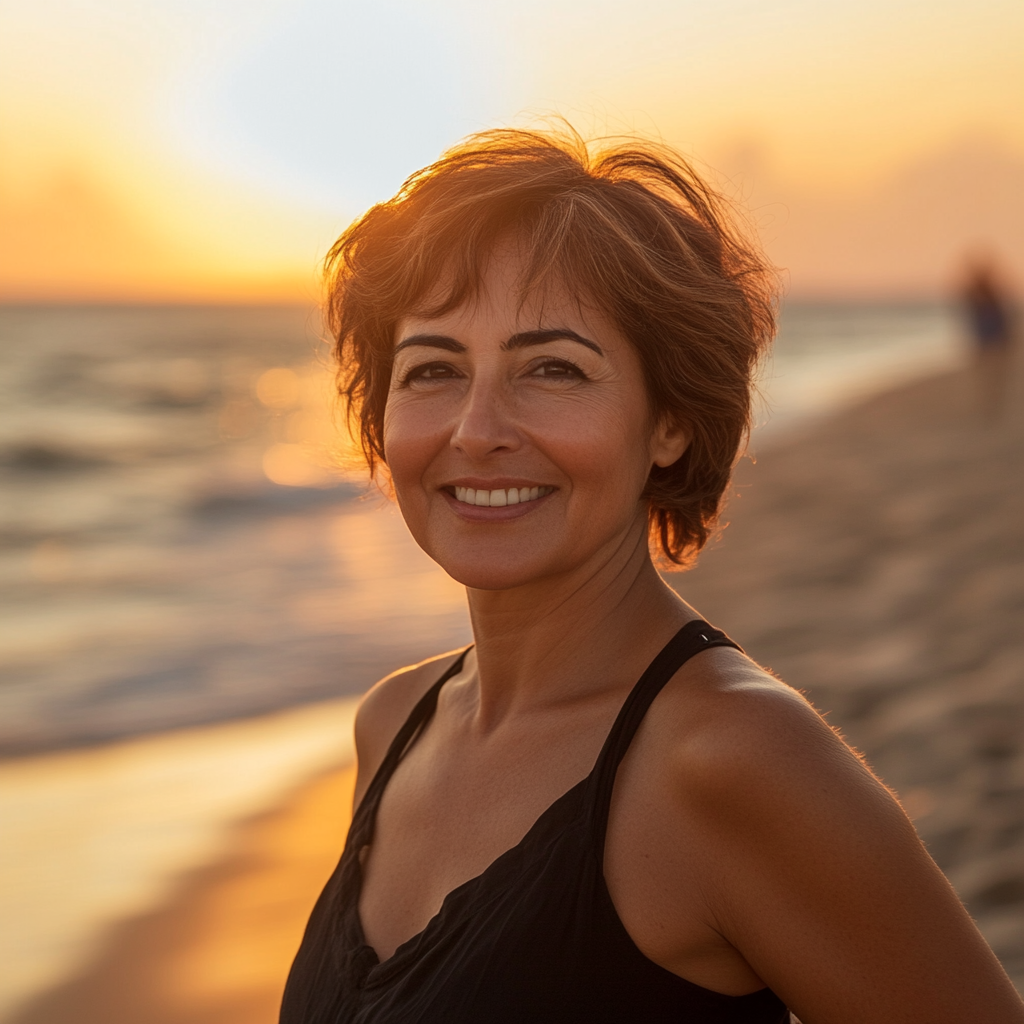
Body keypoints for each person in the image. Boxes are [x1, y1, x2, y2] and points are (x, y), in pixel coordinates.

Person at [280, 128, 1024, 1024]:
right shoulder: (393, 723)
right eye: (434, 369)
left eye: (552, 369)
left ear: (668, 420)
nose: (476, 429)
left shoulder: (735, 759)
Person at [962, 254, 1016, 420]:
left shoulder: (989, 295)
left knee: (992, 376)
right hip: (986, 341)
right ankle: (989, 405)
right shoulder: (978, 295)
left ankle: (990, 405)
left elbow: (1003, 319)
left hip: (992, 340)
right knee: (990, 376)